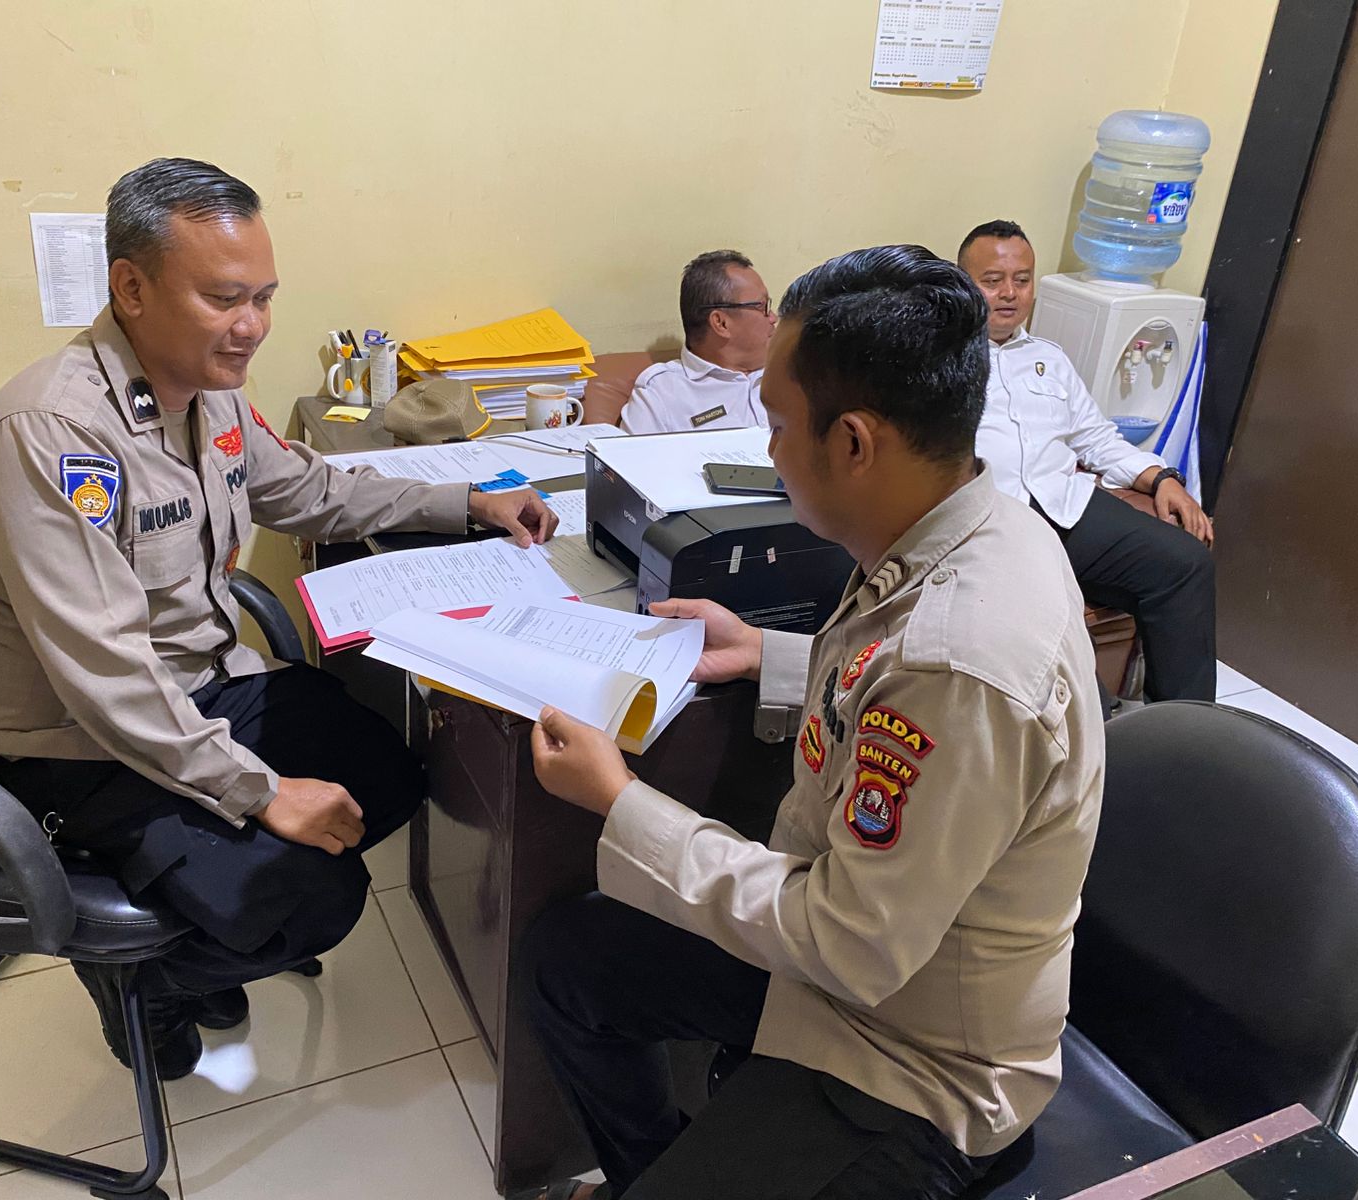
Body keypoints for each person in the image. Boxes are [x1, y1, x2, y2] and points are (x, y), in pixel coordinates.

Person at [515, 246, 1105, 1200]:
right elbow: (891, 685)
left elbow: (851, 943)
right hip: (850, 949)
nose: (771, 450)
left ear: (855, 443)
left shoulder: (966, 656)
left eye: (780, 425)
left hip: (913, 1056)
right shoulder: (966, 521)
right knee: (570, 961)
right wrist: (768, 651)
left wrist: (620, 802)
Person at [0, 157, 555, 1080]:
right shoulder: (52, 435)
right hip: (74, 742)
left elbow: (309, 492)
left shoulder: (210, 389)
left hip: (198, 690)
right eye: (224, 298)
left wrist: (466, 503)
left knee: (393, 773)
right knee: (312, 896)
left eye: (264, 298)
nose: (253, 326)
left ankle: (201, 927)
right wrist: (261, 792)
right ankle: (145, 981)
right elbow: (107, 677)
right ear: (131, 288)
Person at [957, 219, 1217, 704]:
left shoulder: (1050, 359)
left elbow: (1096, 439)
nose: (1009, 293)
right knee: (1043, 612)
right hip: (995, 522)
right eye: (992, 281)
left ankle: (1186, 728)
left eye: (1022, 279)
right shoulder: (939, 362)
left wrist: (1162, 477)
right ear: (962, 284)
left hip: (1068, 507)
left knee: (1185, 565)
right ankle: (1099, 724)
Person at [619, 250, 777, 435]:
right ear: (721, 323)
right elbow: (633, 453)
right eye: (762, 307)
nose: (773, 318)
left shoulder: (792, 371)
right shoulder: (661, 394)